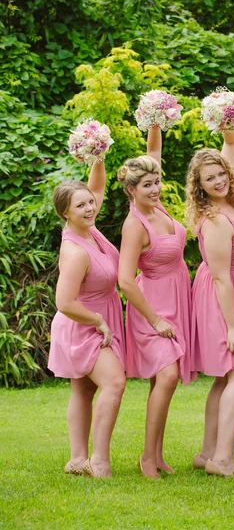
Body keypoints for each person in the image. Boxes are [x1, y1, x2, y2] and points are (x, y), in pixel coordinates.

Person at [117, 122, 195, 479]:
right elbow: (124, 281)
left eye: (157, 182)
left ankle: (158, 455)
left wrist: (154, 123)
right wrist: (155, 320)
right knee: (167, 376)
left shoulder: (159, 208)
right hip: (151, 306)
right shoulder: (134, 225)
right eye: (147, 185)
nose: (155, 188)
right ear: (131, 190)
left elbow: (153, 157)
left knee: (164, 381)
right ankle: (147, 458)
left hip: (178, 297)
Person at [188, 128, 234, 477]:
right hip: (225, 292)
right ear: (199, 186)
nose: (218, 180)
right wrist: (233, 325)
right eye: (209, 178)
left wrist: (228, 123)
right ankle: (223, 459)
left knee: (225, 377)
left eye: (221, 173)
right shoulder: (216, 219)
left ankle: (207, 453)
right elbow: (220, 276)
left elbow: (233, 143)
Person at [49, 156, 126, 479]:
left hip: (96, 316)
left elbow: (96, 188)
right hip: (84, 323)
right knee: (114, 383)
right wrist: (97, 321)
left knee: (82, 390)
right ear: (65, 213)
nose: (90, 208)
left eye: (90, 203)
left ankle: (77, 459)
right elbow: (64, 301)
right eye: (80, 206)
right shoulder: (76, 251)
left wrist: (98, 157)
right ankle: (99, 460)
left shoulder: (88, 230)